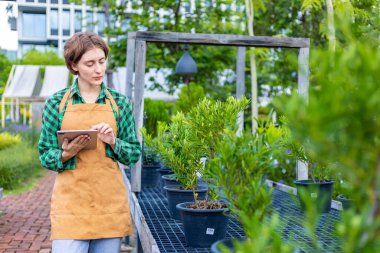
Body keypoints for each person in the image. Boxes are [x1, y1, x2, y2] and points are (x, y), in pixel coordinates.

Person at [38, 32, 141, 253]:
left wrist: (113, 141)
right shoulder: (57, 103)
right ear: (74, 65)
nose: (98, 70)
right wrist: (66, 153)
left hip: (108, 205)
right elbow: (45, 154)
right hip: (71, 207)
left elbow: (133, 154)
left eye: (102, 61)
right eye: (90, 63)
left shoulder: (119, 103)